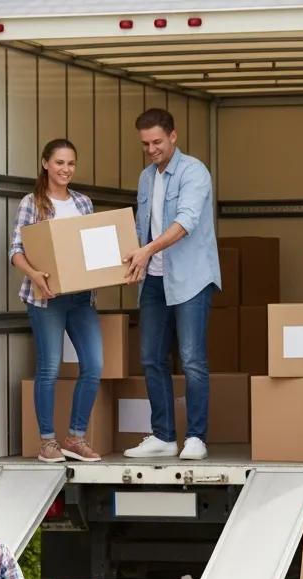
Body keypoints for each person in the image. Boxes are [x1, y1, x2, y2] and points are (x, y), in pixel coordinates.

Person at [122, 108, 221, 461]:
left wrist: (146, 250)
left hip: (191, 278)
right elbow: (140, 226)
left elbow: (186, 222)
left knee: (192, 359)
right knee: (151, 357)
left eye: (157, 141)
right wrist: (133, 257)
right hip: (153, 280)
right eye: (146, 144)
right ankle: (163, 436)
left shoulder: (194, 172)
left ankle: (196, 437)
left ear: (173, 136)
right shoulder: (146, 178)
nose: (152, 149)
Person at [10, 139, 104, 463]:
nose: (66, 169)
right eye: (60, 162)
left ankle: (76, 438)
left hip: (81, 298)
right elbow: (16, 252)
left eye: (71, 164)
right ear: (45, 163)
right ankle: (47, 442)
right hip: (46, 298)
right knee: (49, 368)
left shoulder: (82, 202)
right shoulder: (31, 203)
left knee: (94, 366)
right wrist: (36, 275)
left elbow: (90, 248)